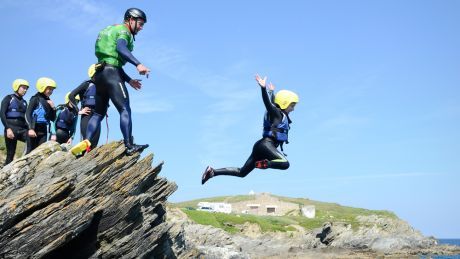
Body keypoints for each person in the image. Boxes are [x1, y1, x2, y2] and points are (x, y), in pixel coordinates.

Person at [75, 7, 150, 156]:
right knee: (124, 109)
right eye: (140, 24)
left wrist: (129, 81)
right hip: (111, 74)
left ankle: (86, 142)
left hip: (100, 74)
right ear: (131, 19)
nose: (141, 28)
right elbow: (121, 48)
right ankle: (129, 145)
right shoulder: (124, 32)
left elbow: (112, 61)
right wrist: (138, 64)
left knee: (97, 114)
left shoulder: (109, 30)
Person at [201, 74, 299, 185]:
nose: (293, 109)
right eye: (292, 106)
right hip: (266, 145)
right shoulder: (277, 114)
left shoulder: (276, 113)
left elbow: (272, 104)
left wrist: (271, 92)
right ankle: (266, 164)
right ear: (284, 103)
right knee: (285, 164)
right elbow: (268, 104)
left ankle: (213, 172)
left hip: (261, 147)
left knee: (242, 172)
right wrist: (263, 88)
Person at [68, 64, 101, 148]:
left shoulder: (102, 85)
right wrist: (78, 110)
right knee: (87, 141)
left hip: (97, 115)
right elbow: (71, 95)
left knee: (94, 142)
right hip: (87, 114)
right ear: (93, 73)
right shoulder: (86, 84)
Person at [0, 79, 29, 165]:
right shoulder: (8, 98)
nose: (25, 90)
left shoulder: (24, 102)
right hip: (11, 129)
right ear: (17, 87)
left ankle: (23, 161)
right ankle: (4, 175)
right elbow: (2, 114)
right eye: (23, 88)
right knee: (10, 154)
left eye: (26, 88)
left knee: (32, 139)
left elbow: (26, 118)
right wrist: (8, 129)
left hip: (22, 129)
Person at [25, 77, 56, 153]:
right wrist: (31, 129)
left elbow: (53, 118)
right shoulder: (35, 99)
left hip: (43, 129)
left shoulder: (49, 101)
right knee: (30, 151)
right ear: (42, 87)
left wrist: (53, 108)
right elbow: (27, 114)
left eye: (52, 89)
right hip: (34, 127)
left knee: (41, 152)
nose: (51, 91)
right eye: (49, 89)